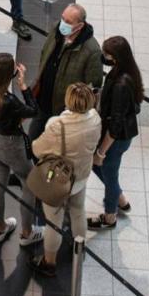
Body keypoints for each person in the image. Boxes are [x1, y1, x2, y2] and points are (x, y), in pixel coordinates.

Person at [30, 82, 102, 278]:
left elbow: (37, 149)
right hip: (81, 177)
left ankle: (49, 262)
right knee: (78, 211)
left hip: (58, 182)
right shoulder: (96, 119)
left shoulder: (57, 125)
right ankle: (79, 248)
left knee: (54, 221)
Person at [0, 54, 44, 246]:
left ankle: (0, 227)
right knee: (29, 184)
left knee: (0, 181)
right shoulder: (8, 101)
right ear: (8, 75)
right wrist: (23, 85)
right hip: (12, 146)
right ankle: (27, 233)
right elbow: (33, 111)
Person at [30, 5, 104, 141]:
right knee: (33, 138)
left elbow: (93, 87)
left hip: (64, 109)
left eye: (68, 22)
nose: (63, 23)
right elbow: (44, 54)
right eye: (63, 18)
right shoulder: (56, 30)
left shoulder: (92, 51)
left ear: (80, 25)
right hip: (43, 98)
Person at [90, 36, 141, 230]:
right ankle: (120, 199)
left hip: (115, 140)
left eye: (106, 54)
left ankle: (110, 216)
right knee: (101, 169)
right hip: (117, 136)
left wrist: (101, 152)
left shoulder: (121, 84)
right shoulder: (125, 72)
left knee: (107, 174)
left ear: (116, 58)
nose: (104, 57)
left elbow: (116, 124)